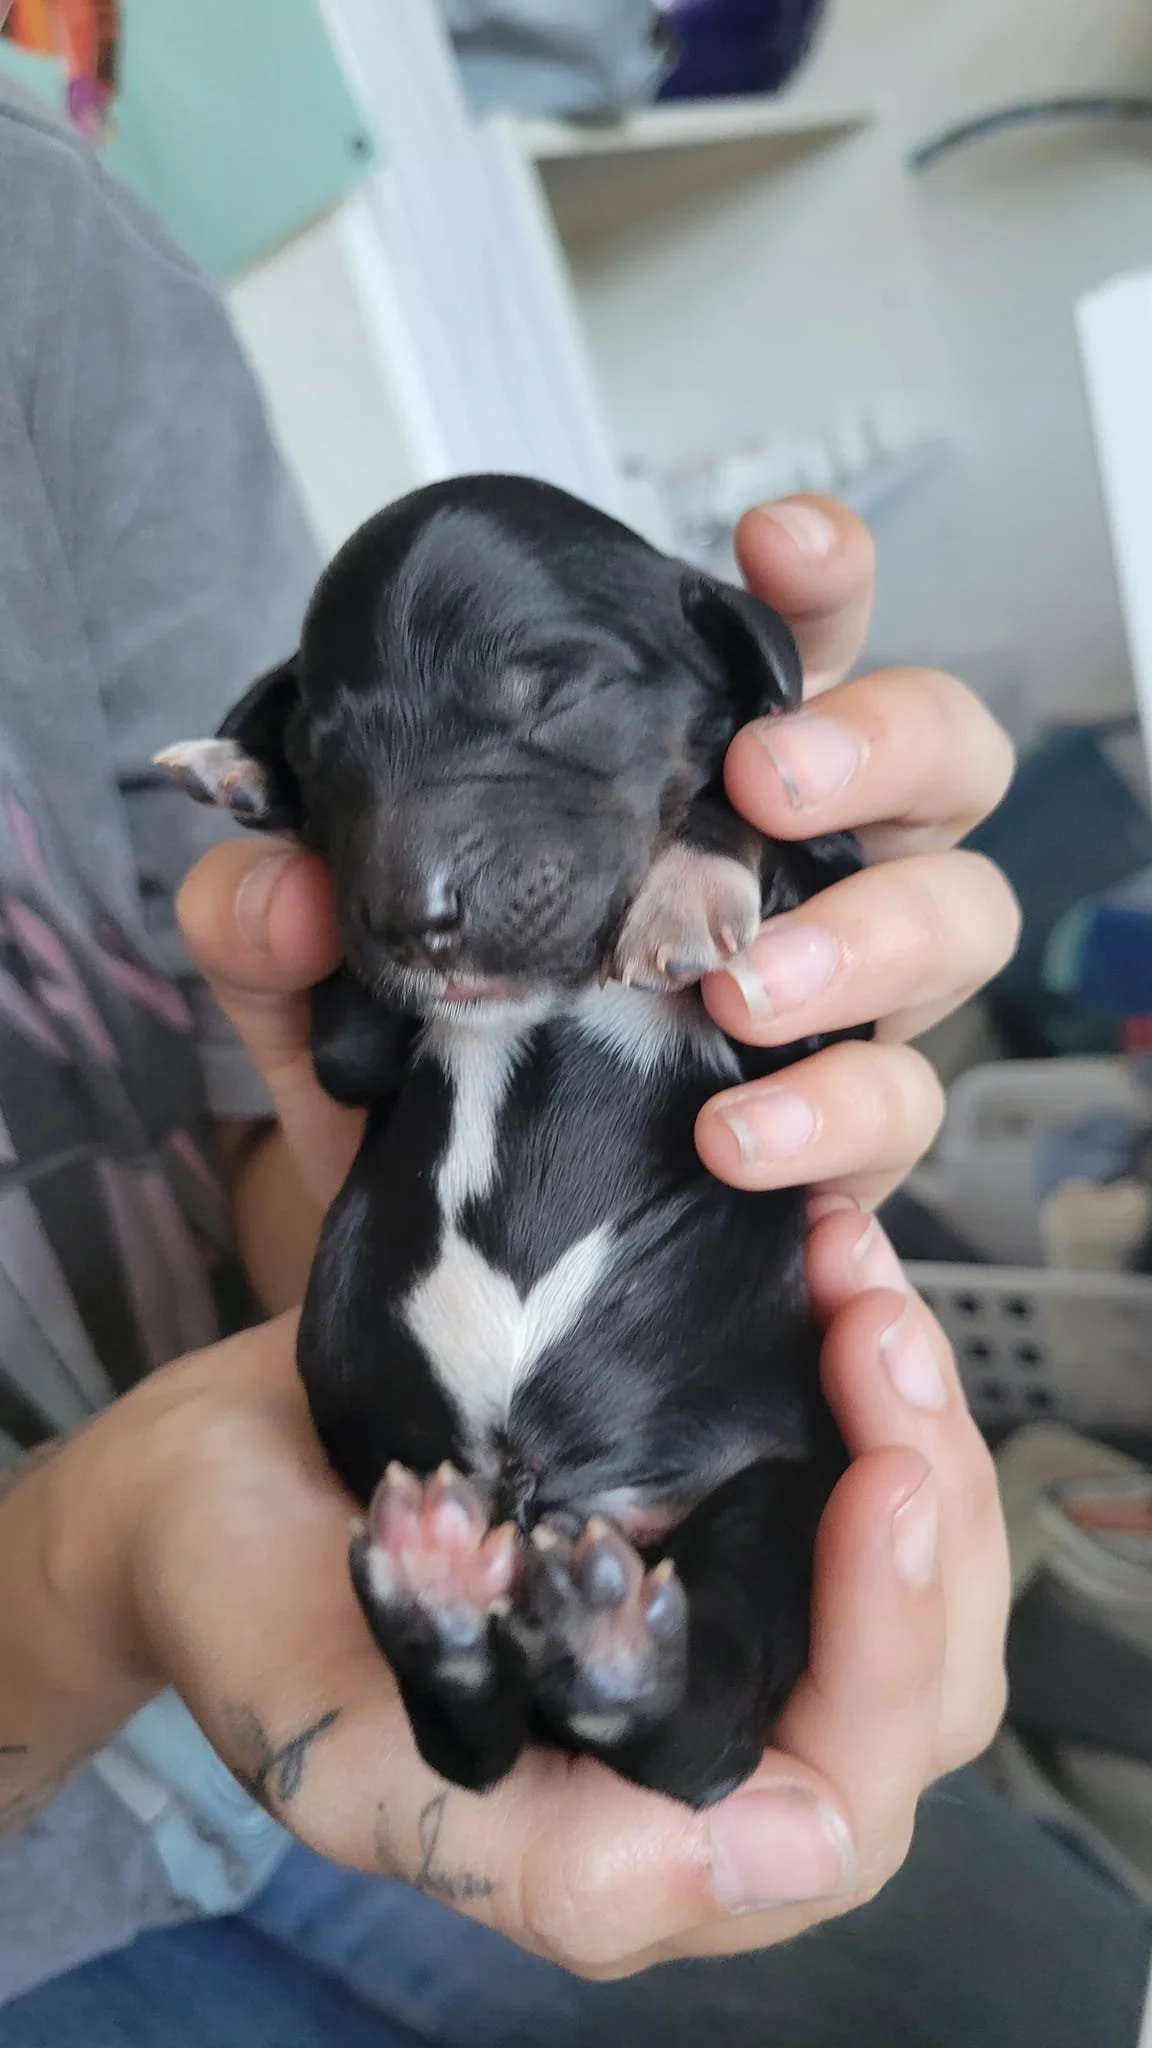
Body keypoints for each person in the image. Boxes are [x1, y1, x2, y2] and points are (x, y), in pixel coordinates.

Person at [0, 73, 1146, 2048]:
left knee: (1048, 1977)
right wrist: (100, 1573)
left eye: (549, 705)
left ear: (728, 670)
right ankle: (521, 1663)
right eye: (356, 778)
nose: (427, 867)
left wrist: (768, 882)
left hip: (355, 1472)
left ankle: (611, 1674)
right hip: (66, 1820)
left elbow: (300, 1133)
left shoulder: (39, 235)